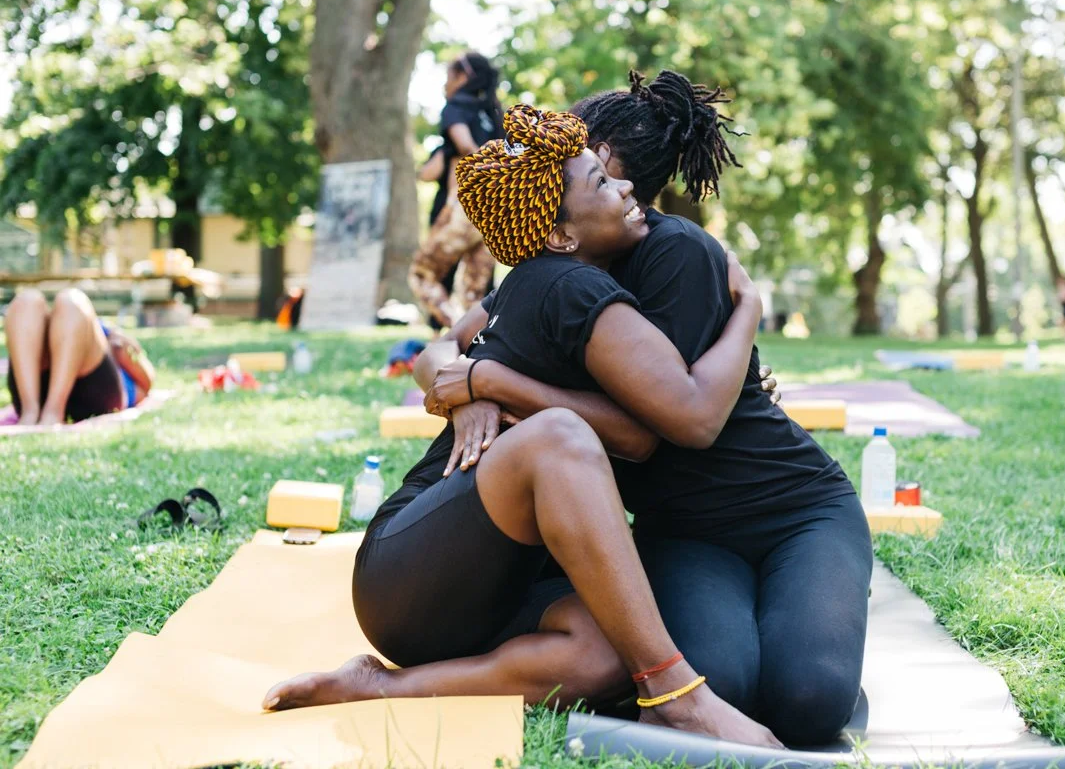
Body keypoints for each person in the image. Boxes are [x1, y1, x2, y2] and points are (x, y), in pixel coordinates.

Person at [263, 105, 781, 747]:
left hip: (489, 582)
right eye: (601, 182)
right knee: (559, 438)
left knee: (600, 655)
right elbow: (657, 427)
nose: (626, 189)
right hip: (410, 571)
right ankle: (675, 694)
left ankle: (380, 686)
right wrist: (471, 390)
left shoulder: (537, 279)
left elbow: (445, 350)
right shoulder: (568, 287)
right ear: (560, 235)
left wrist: (483, 384)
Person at [421, 71, 873, 746]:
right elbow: (447, 345)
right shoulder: (556, 259)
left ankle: (810, 637)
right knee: (718, 686)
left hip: (795, 510)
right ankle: (782, 631)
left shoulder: (676, 255)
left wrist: (747, 310)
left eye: (576, 151)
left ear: (605, 159)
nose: (555, 152)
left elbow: (689, 422)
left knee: (807, 700)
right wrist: (466, 392)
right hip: (684, 532)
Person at [408, 52, 504, 328]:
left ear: (463, 77)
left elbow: (462, 145)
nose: (444, 85)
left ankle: (454, 329)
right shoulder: (494, 113)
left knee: (422, 274)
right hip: (493, 212)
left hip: (465, 207)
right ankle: (479, 344)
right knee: (476, 291)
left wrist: (479, 166)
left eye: (448, 77)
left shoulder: (456, 106)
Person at [4, 288, 153, 425]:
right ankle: (39, 412)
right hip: (81, 387)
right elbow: (147, 383)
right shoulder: (108, 336)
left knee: (70, 301)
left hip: (92, 391)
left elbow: (146, 384)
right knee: (28, 300)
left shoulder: (117, 347)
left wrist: (126, 353)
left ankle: (37, 413)